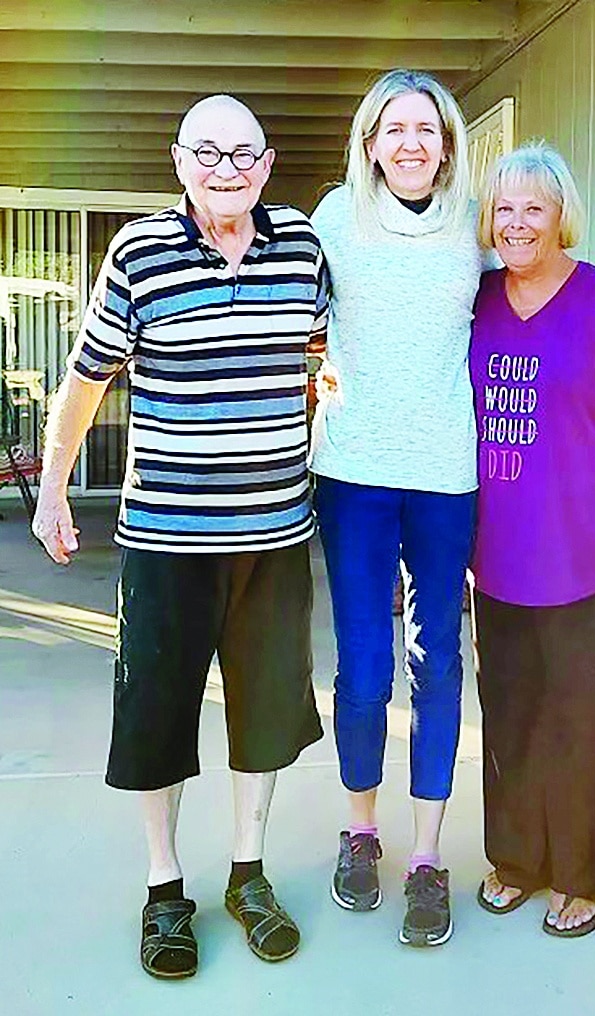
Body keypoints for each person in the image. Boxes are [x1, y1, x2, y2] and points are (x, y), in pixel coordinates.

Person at [32, 94, 326, 978]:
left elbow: (323, 357)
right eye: (208, 152)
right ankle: (165, 890)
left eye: (244, 153)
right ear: (178, 160)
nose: (226, 169)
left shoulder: (305, 251)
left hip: (276, 535)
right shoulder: (138, 253)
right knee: (156, 719)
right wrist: (52, 487)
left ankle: (248, 872)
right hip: (165, 540)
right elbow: (86, 383)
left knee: (265, 717)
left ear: (268, 166)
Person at [470, 142, 595, 937]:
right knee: (509, 717)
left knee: (578, 721)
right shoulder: (476, 300)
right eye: (504, 210)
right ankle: (517, 859)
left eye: (533, 209)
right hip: (497, 556)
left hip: (586, 552)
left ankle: (583, 873)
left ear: (560, 218)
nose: (517, 224)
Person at [309, 69, 484, 947]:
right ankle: (361, 830)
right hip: (355, 476)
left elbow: (524, 307)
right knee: (366, 667)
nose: (411, 143)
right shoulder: (334, 218)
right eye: (394, 129)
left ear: (446, 143)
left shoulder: (473, 226)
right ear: (370, 141)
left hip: (447, 478)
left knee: (438, 665)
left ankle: (426, 856)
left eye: (427, 129)